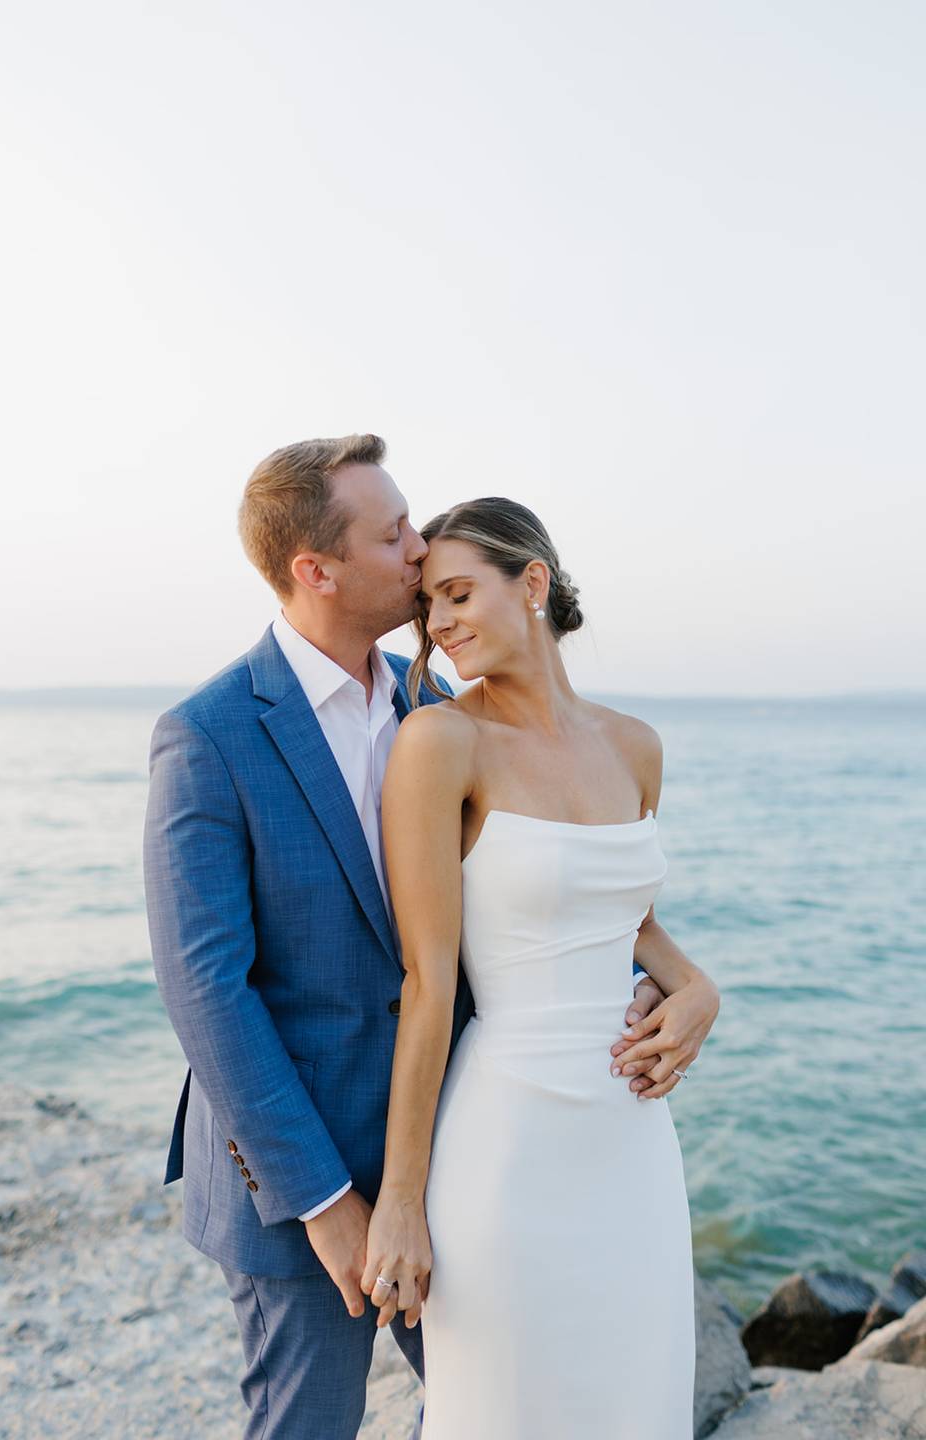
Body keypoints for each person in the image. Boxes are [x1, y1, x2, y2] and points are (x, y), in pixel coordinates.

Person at [143, 436, 711, 1439]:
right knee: (307, 1423)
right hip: (303, 1171)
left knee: (488, 1407)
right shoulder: (211, 733)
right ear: (315, 569)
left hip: (465, 1146)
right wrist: (327, 1200)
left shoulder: (434, 706)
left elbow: (539, 897)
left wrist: (682, 985)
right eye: (395, 533)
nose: (417, 553)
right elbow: (205, 992)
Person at [360, 496, 720, 1438]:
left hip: (633, 1137)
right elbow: (428, 981)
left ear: (533, 583)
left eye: (458, 592)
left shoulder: (635, 746)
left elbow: (627, 916)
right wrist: (401, 1202)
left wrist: (700, 988)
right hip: (505, 1141)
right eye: (427, 607)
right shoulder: (440, 743)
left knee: (634, 1401)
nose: (438, 624)